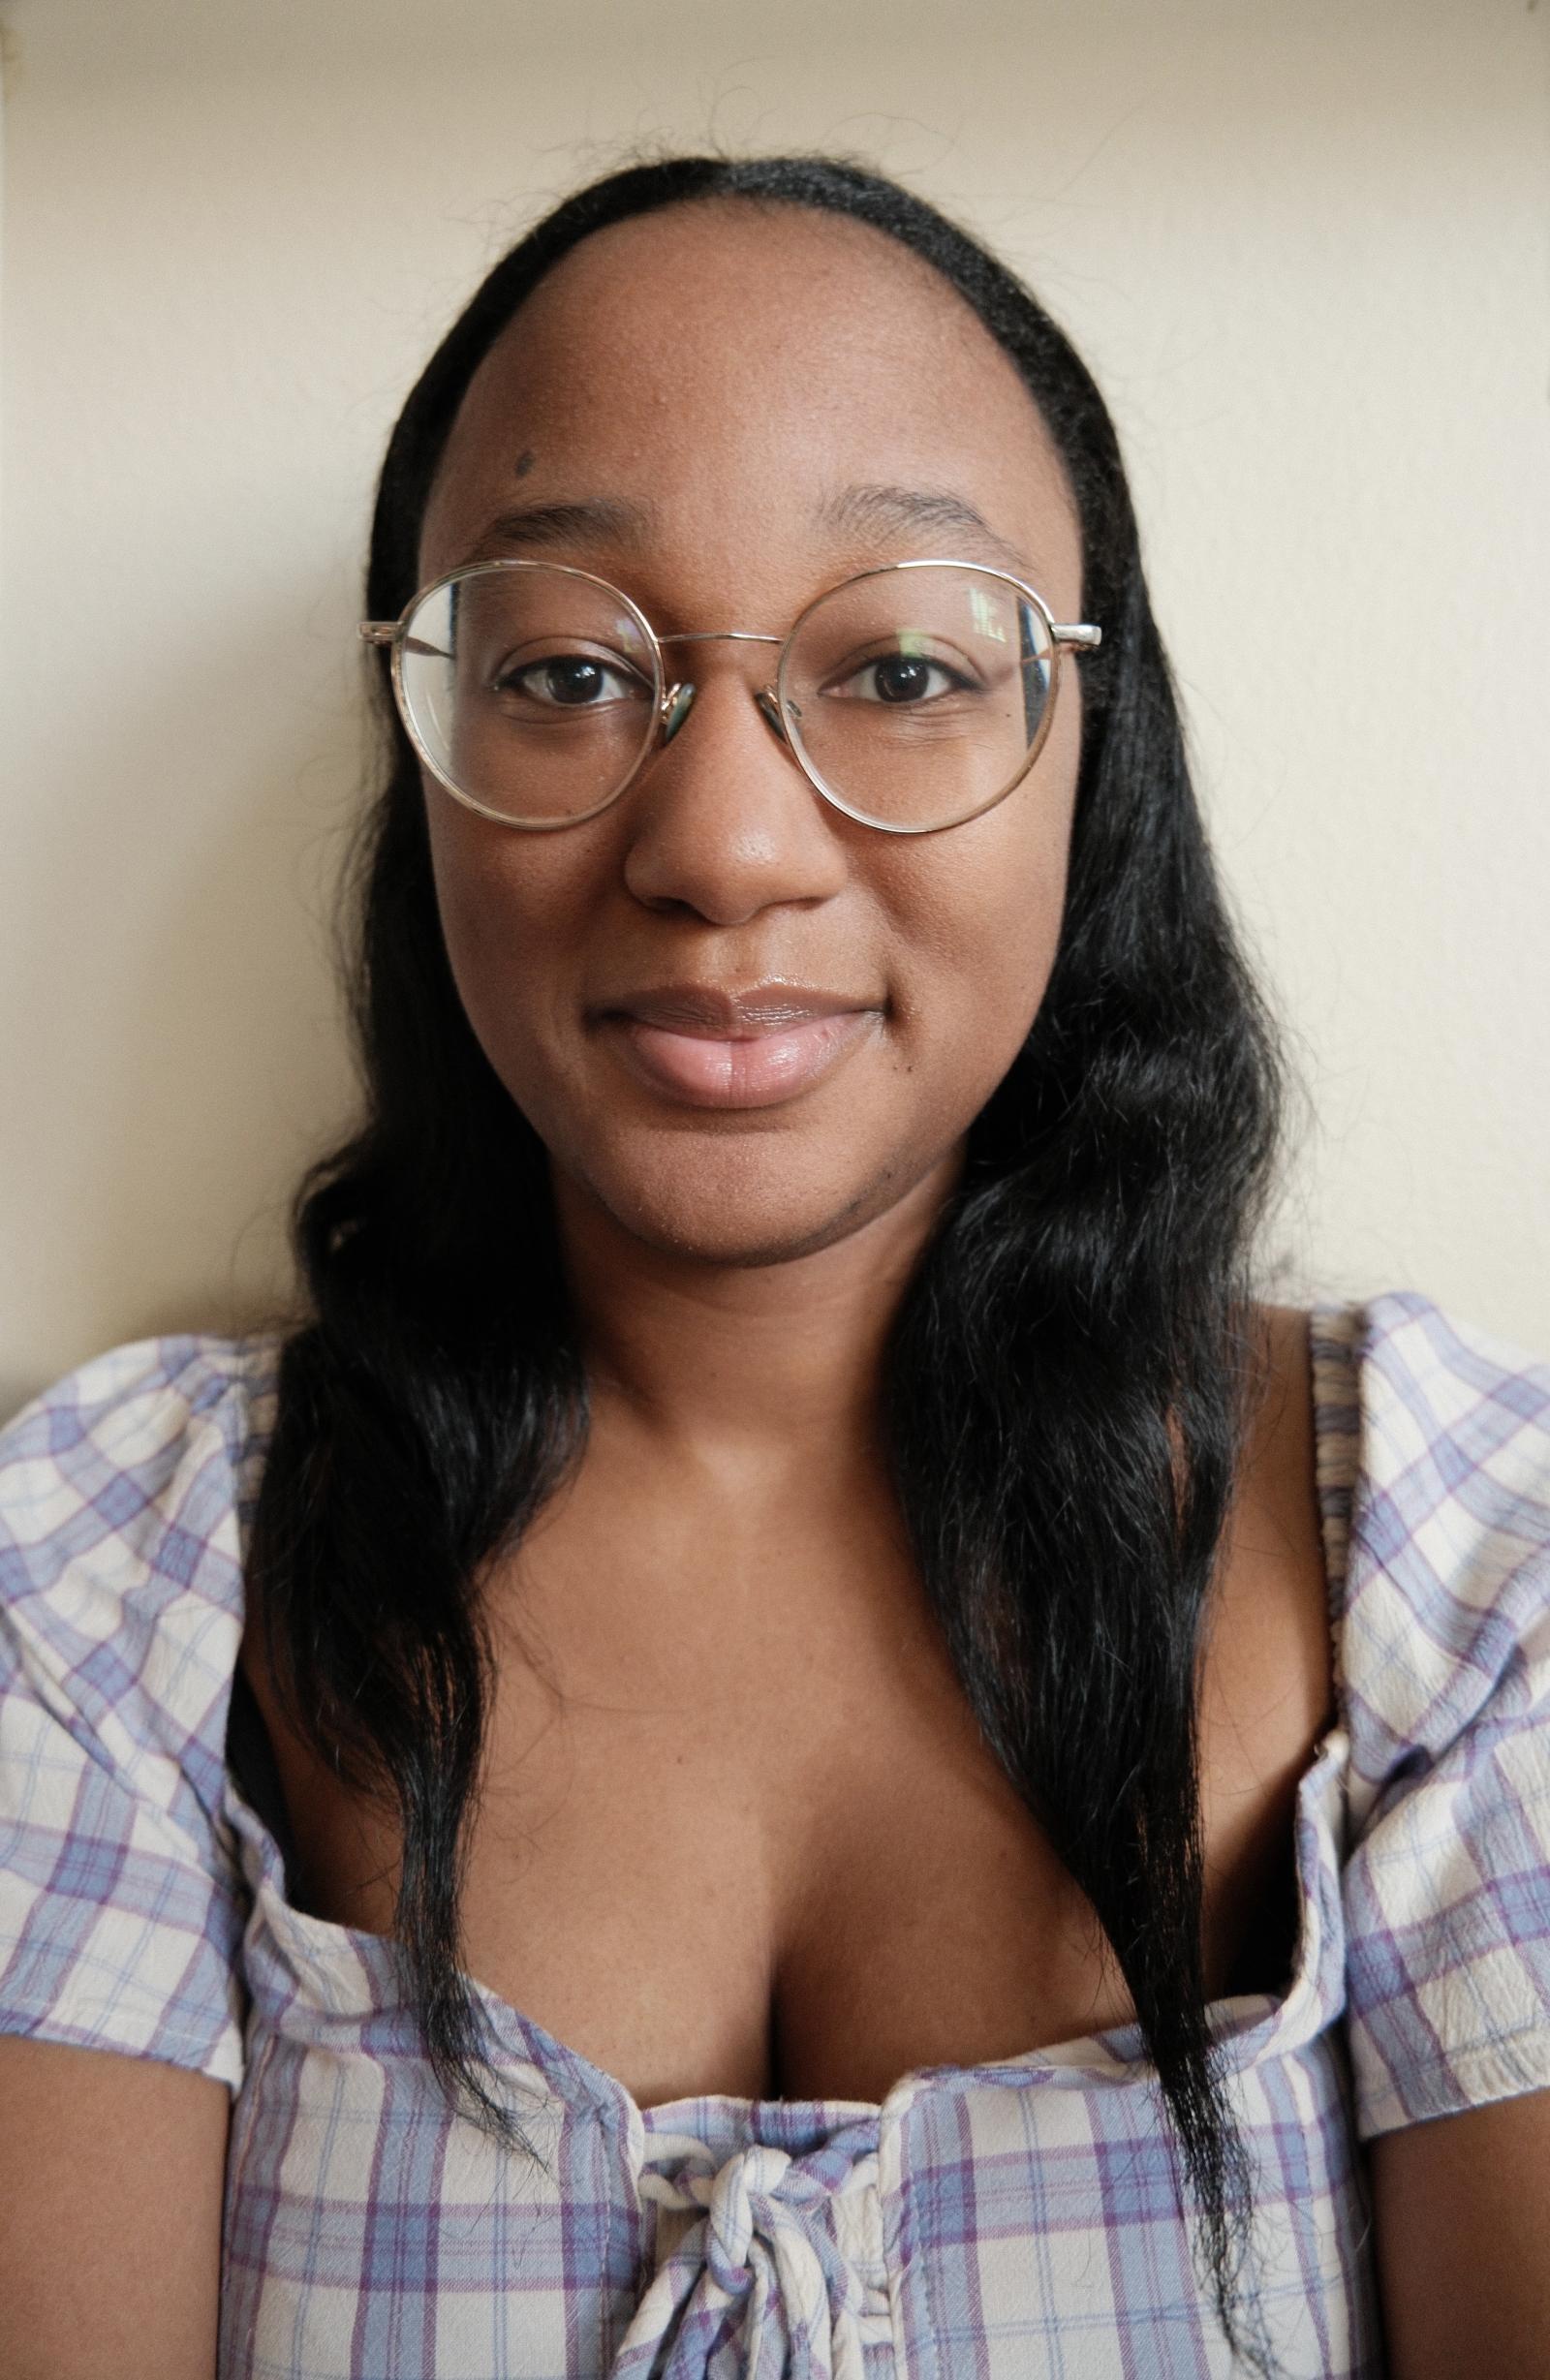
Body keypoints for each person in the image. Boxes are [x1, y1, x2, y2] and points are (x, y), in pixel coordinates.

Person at [0, 152, 1546, 2380]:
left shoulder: (1452, 1576)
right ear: (418, 756)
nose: (721, 841)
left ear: (1086, 755)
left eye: (901, 664)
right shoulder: (109, 1590)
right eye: (561, 668)